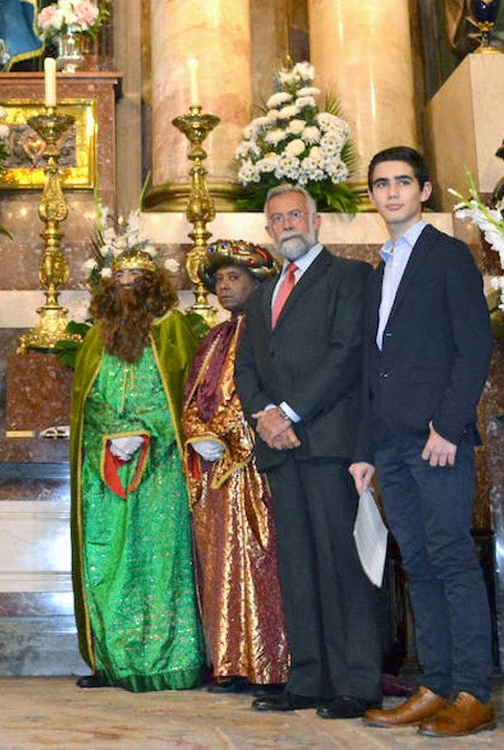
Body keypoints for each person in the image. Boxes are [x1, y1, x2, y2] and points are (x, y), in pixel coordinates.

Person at [350, 146, 496, 737]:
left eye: (402, 182)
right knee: (419, 564)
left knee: (453, 559)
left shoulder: (447, 256)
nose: (391, 193)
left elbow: (474, 347)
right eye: (381, 184)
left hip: (437, 439)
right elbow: (370, 366)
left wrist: (450, 426)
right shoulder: (380, 266)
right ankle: (436, 686)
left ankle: (474, 694)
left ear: (425, 190)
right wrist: (363, 450)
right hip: (389, 444)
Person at [233, 184, 382, 719]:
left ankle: (356, 682)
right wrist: (265, 418)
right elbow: (245, 368)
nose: (287, 224)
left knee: (340, 563)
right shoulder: (261, 294)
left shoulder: (349, 277)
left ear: (316, 223)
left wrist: (290, 412)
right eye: (277, 219)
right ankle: (310, 678)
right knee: (296, 565)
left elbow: (346, 355)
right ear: (269, 232)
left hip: (327, 442)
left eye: (296, 214)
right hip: (280, 448)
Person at [69, 243, 204, 692]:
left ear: (153, 288)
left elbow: (187, 399)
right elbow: (87, 403)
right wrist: (110, 439)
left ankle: (169, 661)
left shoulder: (173, 331)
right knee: (107, 563)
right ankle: (112, 661)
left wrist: (146, 433)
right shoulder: (95, 337)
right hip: (105, 470)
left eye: (136, 282)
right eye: (119, 281)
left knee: (160, 564)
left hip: (160, 471)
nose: (127, 289)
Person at [181, 241, 289, 695]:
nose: (224, 287)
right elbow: (191, 398)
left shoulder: (271, 331)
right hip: (216, 477)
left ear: (257, 281)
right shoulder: (214, 338)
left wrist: (226, 438)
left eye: (234, 279)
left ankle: (272, 664)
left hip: (256, 469)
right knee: (220, 565)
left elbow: (260, 398)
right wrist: (196, 434)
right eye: (219, 280)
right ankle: (231, 662)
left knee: (262, 562)